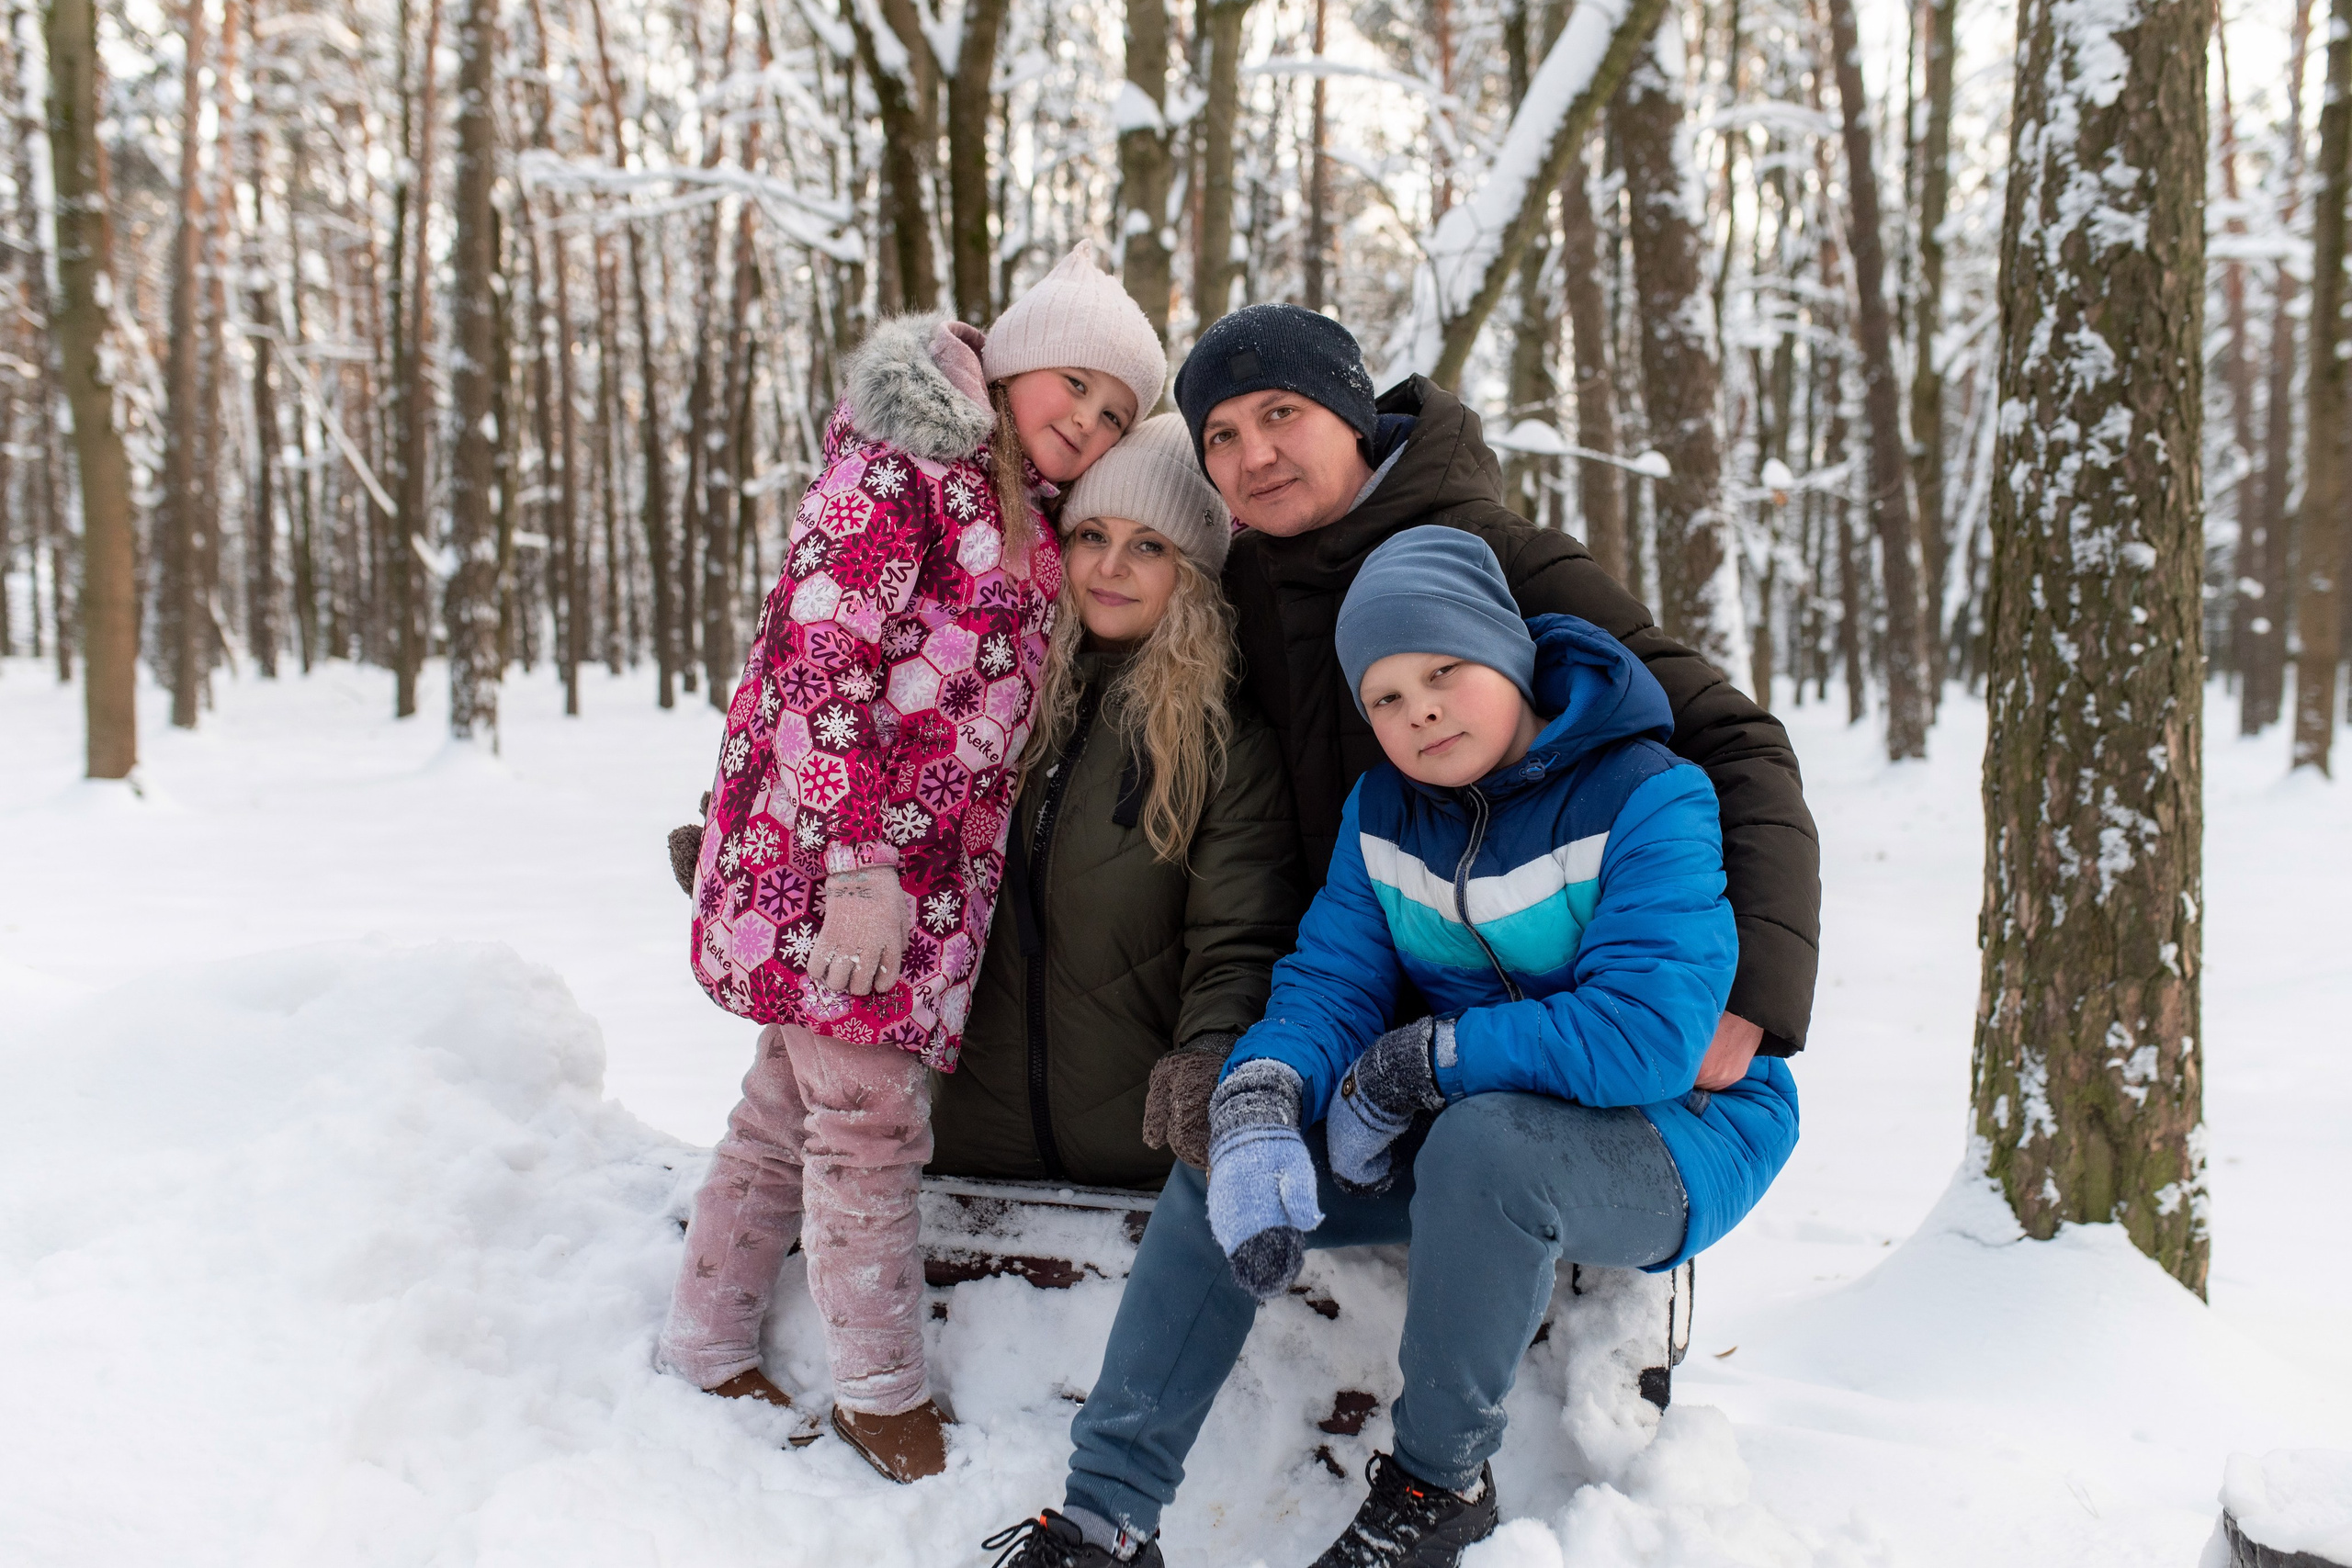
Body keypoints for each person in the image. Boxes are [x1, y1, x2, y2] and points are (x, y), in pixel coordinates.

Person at [981, 529, 1799, 1568]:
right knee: (1226, 1165)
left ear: (1508, 657)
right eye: (1386, 697)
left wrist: (1426, 1060)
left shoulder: (1647, 792)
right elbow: (1330, 981)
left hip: (1675, 1132)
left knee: (1484, 1142)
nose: (1419, 712)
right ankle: (1105, 1515)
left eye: (1444, 674)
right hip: (1468, 1124)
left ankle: (1437, 1488)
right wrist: (1261, 1091)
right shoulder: (1384, 813)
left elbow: (1649, 1037)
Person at [657, 244, 1167, 1485]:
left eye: (1115, 411)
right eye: (1073, 387)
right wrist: (861, 864)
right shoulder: (901, 472)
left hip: (914, 883)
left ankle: (708, 1335)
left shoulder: (1020, 503)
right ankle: (880, 1389)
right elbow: (817, 669)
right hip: (834, 868)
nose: (1088, 421)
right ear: (1009, 363)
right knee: (870, 1121)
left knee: (788, 1107)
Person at [1184, 304, 1819, 1089]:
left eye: (1281, 413)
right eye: (1222, 435)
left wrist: (1752, 994)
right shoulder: (1234, 597)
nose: (1258, 454)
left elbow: (1735, 739)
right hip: (1338, 1032)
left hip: (1543, 1046)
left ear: (1351, 415)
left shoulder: (1499, 561)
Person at [930, 413, 1305, 1188]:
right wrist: (782, 854)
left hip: (1137, 1168)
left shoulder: (1225, 737)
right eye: (1091, 535)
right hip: (957, 1148)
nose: (1111, 565)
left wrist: (1210, 1056)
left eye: (1148, 545)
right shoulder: (991, 692)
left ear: (1192, 571)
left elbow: (1239, 940)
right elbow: (900, 821)